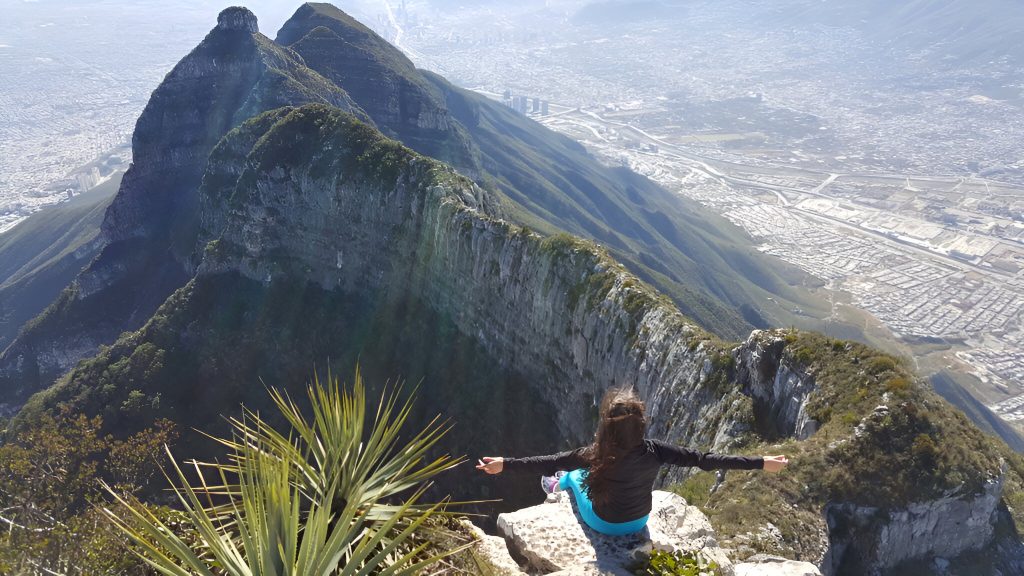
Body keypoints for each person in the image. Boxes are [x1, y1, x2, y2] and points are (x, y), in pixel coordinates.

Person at [476, 387, 789, 536]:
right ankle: (560, 481)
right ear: (641, 425)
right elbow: (707, 460)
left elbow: (545, 461)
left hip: (603, 523)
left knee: (568, 473)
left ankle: (556, 486)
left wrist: (504, 463)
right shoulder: (657, 451)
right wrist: (762, 462)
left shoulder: (593, 455)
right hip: (640, 521)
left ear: (607, 427)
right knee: (571, 468)